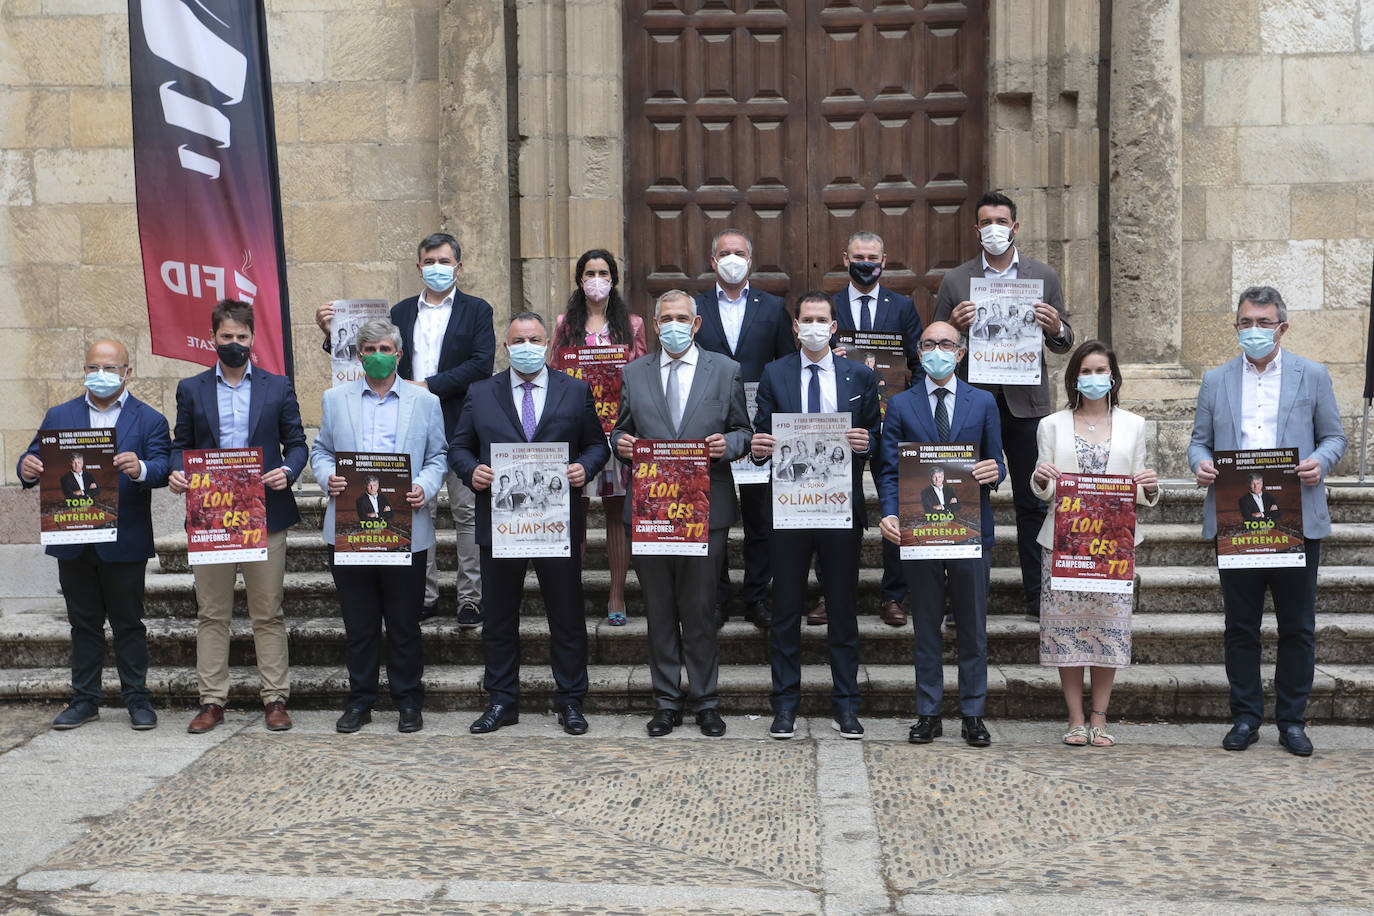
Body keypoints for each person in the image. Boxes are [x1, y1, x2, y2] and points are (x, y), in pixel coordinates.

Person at [1188, 285, 1346, 757]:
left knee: (1298, 626)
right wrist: (1200, 464)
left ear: (1281, 327)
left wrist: (1321, 461)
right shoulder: (1216, 380)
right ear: (1236, 326)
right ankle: (1246, 717)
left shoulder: (1312, 375)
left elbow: (1334, 436)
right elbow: (1199, 442)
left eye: (1262, 322)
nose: (1252, 331)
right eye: (1245, 322)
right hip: (1237, 521)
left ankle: (1292, 721)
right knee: (1241, 626)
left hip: (1294, 519)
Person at [316, 232, 494, 625]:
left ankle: (470, 598)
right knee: (415, 507)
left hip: (462, 426)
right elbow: (369, 351)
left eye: (444, 261)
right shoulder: (398, 311)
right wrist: (332, 334)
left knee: (466, 515)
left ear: (458, 267)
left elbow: (482, 365)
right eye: (429, 261)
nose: (437, 268)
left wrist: (428, 386)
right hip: (408, 430)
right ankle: (424, 594)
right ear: (418, 267)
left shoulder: (477, 310)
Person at [450, 312, 611, 735]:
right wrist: (472, 472)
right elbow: (459, 448)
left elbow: (598, 444)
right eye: (517, 340)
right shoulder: (481, 392)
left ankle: (571, 701)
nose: (526, 346)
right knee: (500, 616)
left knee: (567, 615)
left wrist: (584, 468)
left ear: (546, 343)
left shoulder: (574, 391)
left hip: (557, 523)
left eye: (534, 338)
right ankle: (502, 701)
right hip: (501, 523)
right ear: (506, 347)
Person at [611, 290, 752, 737]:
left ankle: (706, 700)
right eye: (665, 317)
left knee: (698, 609)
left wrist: (726, 446)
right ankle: (667, 701)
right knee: (658, 609)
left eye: (682, 318)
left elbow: (744, 431)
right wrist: (621, 444)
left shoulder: (725, 370)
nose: (673, 324)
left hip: (703, 510)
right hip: (651, 510)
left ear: (696, 324)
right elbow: (620, 429)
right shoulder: (634, 372)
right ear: (655, 325)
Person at [934, 190, 1075, 624]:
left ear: (1015, 227)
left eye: (1002, 221)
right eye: (986, 222)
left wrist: (1055, 327)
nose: (994, 228)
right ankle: (963, 600)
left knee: (1033, 501)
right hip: (971, 401)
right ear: (977, 229)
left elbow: (1066, 341)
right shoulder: (956, 280)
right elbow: (934, 338)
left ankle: (1037, 598)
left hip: (1025, 404)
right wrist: (954, 327)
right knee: (963, 497)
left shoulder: (1043, 275)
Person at [170, 300, 308, 734]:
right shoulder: (191, 389)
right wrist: (176, 471)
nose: (234, 344)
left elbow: (298, 443)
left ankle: (275, 698)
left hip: (264, 514)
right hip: (212, 517)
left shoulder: (278, 386)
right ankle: (211, 701)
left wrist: (288, 471)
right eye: (226, 337)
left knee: (268, 612)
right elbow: (181, 443)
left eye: (241, 337)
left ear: (253, 339)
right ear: (213, 338)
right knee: (213, 614)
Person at [19, 339, 170, 731]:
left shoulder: (149, 419)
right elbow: (31, 456)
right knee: (83, 625)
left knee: (129, 624)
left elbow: (162, 466)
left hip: (124, 540)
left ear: (127, 372)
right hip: (74, 540)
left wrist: (140, 468)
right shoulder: (60, 415)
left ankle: (137, 700)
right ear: (84, 371)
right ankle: (85, 699)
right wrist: (27, 467)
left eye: (110, 368)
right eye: (93, 368)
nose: (101, 376)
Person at [750, 291, 881, 739]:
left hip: (840, 508)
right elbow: (761, 432)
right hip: (789, 510)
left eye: (821, 318)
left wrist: (867, 443)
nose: (813, 325)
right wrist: (760, 445)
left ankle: (846, 706)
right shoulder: (774, 373)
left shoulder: (859, 376)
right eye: (806, 318)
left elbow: (877, 439)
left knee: (842, 611)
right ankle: (784, 705)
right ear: (795, 326)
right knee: (785, 611)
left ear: (834, 326)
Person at [311, 319, 448, 734]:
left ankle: (408, 701)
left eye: (384, 348)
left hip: (404, 527)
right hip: (351, 528)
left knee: (404, 623)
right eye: (367, 349)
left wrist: (424, 487)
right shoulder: (336, 399)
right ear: (358, 355)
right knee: (360, 624)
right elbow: (320, 451)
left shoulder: (426, 403)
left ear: (399, 354)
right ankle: (360, 701)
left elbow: (438, 456)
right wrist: (327, 477)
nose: (376, 356)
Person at [878, 321, 1004, 747]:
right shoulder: (899, 405)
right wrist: (890, 513)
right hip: (919, 533)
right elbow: (890, 469)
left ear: (960, 352)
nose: (937, 350)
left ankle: (973, 713)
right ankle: (928, 713)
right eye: (929, 344)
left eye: (946, 344)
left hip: (970, 532)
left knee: (972, 628)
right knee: (926, 626)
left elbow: (998, 463)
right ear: (919, 350)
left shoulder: (983, 402)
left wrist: (994, 471)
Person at [1030, 341, 1159, 747]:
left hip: (1113, 547)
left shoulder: (1135, 424)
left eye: (1100, 370)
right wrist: (1039, 478)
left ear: (1113, 376)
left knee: (1108, 628)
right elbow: (1045, 489)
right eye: (1085, 371)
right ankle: (1074, 718)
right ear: (1074, 378)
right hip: (1064, 543)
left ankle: (1100, 717)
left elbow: (1139, 490)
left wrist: (1150, 488)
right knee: (1066, 632)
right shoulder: (1051, 424)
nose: (1093, 378)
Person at [691, 229, 796, 630]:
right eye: (724, 253)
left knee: (760, 520)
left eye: (739, 253)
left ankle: (756, 597)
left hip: (759, 432)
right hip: (709, 432)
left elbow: (787, 364)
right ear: (713, 261)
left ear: (750, 261)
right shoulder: (695, 308)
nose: (732, 258)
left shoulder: (772, 307)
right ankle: (718, 600)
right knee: (713, 518)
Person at [824, 230, 923, 628]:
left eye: (873, 257)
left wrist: (910, 411)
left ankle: (894, 595)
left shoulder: (902, 307)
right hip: (841, 425)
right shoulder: (827, 307)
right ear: (844, 258)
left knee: (895, 505)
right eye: (858, 256)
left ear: (885, 259)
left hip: (892, 423)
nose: (866, 263)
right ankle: (829, 594)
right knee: (829, 508)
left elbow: (918, 363)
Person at [551, 249, 647, 627]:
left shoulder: (633, 325)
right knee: (575, 511)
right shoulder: (564, 325)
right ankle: (570, 589)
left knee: (615, 511)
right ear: (579, 280)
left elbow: (641, 375)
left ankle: (616, 592)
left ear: (614, 279)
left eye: (603, 272)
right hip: (578, 432)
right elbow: (556, 373)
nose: (596, 279)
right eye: (589, 272)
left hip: (618, 429)